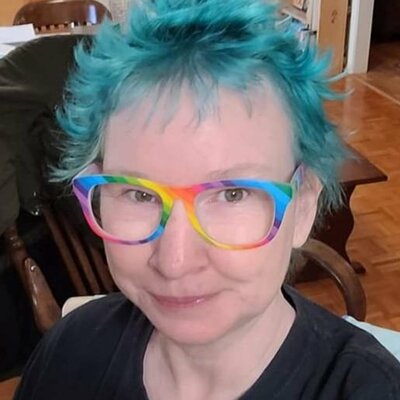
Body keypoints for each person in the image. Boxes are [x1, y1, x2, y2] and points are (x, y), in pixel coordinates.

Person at [14, 0, 400, 399]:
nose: (175, 262)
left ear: (303, 206)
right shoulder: (70, 352)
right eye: (139, 194)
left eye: (232, 194)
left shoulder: (367, 389)